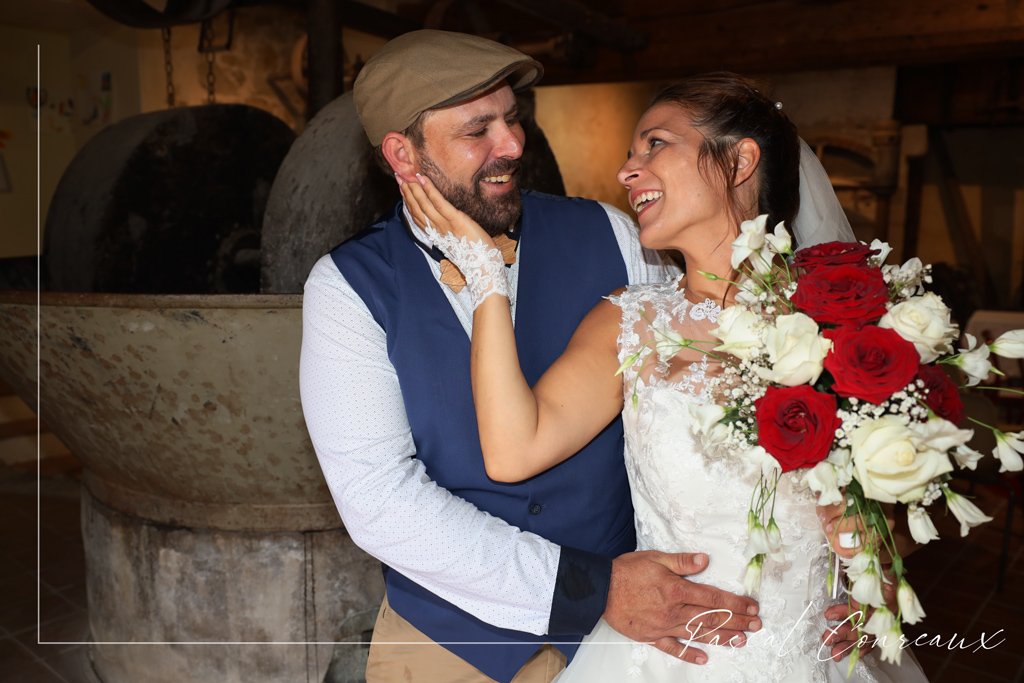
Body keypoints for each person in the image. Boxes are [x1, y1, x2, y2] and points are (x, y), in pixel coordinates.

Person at [399, 72, 931, 681]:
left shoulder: (851, 329)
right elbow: (512, 451)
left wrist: (876, 582)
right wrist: (486, 276)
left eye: (655, 144)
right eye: (630, 153)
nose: (628, 170)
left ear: (738, 161)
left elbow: (885, 529)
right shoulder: (631, 321)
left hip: (816, 655)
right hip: (673, 657)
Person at [300, 31, 765, 683]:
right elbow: (379, 498)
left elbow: (712, 368)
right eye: (477, 130)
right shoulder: (346, 288)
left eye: (513, 119)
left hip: (642, 633)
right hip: (447, 643)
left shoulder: (611, 231)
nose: (512, 145)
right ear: (404, 155)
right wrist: (586, 585)